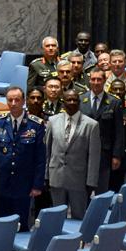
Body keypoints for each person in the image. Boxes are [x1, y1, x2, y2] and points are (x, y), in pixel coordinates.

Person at [0, 87, 46, 230]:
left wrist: (37, 185)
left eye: (17, 100)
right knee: (2, 223)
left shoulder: (35, 125)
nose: (13, 103)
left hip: (24, 184)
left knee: (22, 224)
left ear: (23, 101)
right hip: (3, 182)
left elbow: (40, 158)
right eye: (10, 100)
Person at [45, 89, 100, 218]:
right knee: (57, 218)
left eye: (75, 100)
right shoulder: (53, 121)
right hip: (56, 178)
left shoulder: (91, 125)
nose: (72, 102)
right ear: (63, 102)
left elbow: (94, 156)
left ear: (79, 102)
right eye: (68, 100)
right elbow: (47, 150)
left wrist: (91, 182)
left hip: (79, 180)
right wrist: (46, 175)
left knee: (79, 218)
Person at [80, 69, 124, 193]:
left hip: (104, 153)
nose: (96, 82)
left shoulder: (114, 102)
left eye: (99, 79)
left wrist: (116, 155)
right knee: (83, 190)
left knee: (101, 189)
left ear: (104, 81)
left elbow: (119, 132)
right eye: (93, 79)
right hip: (83, 152)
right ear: (89, 81)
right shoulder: (80, 100)